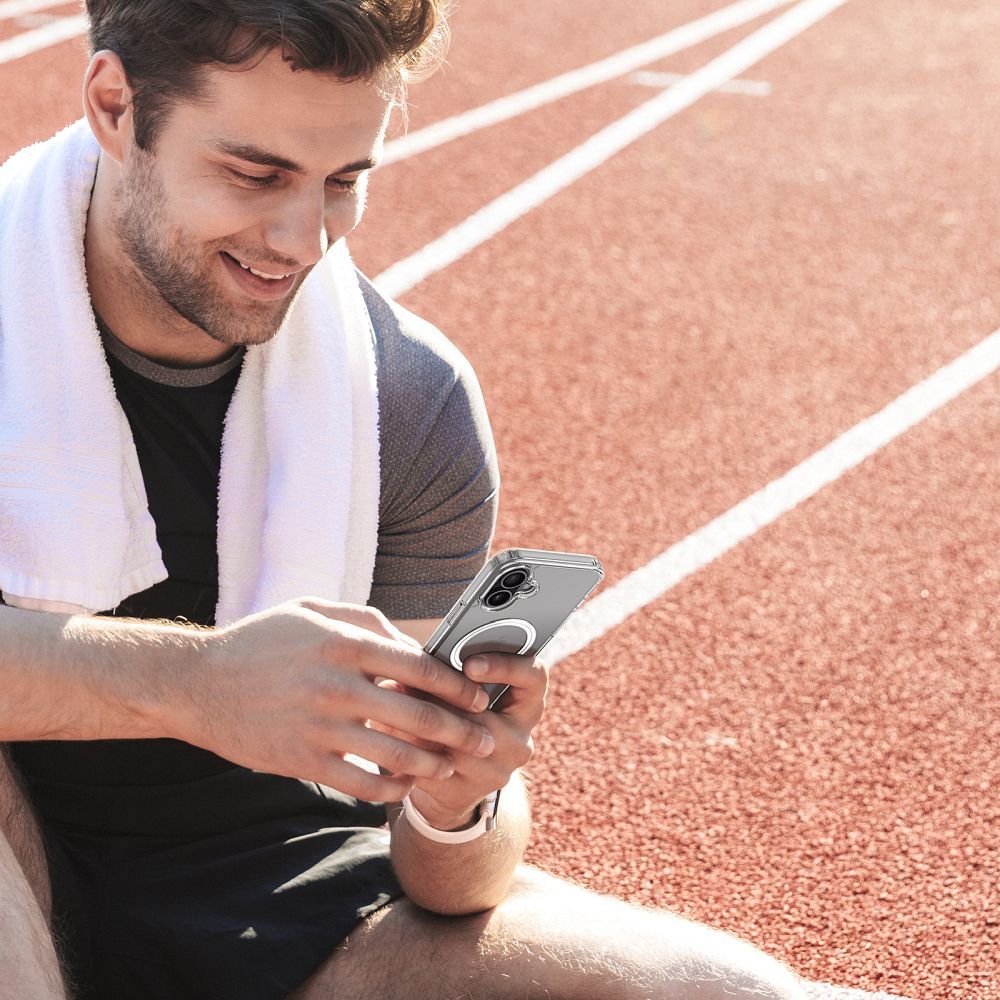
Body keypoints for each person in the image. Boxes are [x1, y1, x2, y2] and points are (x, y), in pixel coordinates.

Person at [0, 3, 808, 998]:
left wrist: (458, 793)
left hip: (281, 892)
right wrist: (201, 682)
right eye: (254, 175)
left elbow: (451, 880)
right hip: (17, 864)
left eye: (342, 183)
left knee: (728, 992)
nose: (302, 240)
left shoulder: (404, 400)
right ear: (115, 107)